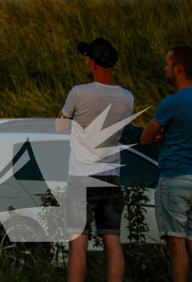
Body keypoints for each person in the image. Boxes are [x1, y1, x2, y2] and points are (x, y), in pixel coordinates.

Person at [55, 38, 133, 282]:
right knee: (114, 245)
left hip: (82, 178)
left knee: (78, 246)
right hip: (111, 177)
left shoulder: (79, 92)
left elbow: (60, 126)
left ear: (94, 64)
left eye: (87, 58)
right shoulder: (127, 98)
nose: (85, 63)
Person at [141, 44, 192, 282]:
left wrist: (162, 137)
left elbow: (146, 137)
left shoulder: (172, 103)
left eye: (168, 64)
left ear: (179, 68)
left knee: (176, 243)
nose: (166, 68)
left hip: (175, 178)